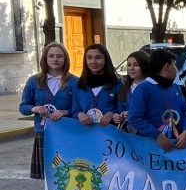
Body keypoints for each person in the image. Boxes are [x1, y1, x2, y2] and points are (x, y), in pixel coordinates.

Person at [19, 43, 77, 179]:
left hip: (66, 132)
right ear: (45, 58)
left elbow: (79, 108)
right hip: (43, 133)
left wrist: (66, 112)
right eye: (51, 56)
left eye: (60, 56)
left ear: (65, 59)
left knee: (66, 174)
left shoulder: (74, 82)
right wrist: (34, 108)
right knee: (47, 176)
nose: (55, 59)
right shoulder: (34, 81)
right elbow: (23, 107)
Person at [128, 49, 186, 151]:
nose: (176, 69)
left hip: (178, 147)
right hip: (152, 149)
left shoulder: (176, 88)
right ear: (167, 67)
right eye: (175, 65)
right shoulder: (143, 89)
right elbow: (134, 118)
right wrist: (157, 135)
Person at [71, 44, 121, 126]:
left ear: (106, 59)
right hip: (85, 131)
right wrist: (79, 114)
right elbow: (74, 111)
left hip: (109, 131)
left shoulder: (117, 83)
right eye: (89, 58)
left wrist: (112, 114)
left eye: (98, 58)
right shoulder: (78, 84)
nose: (93, 62)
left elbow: (123, 110)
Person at [114, 50, 149, 131]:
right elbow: (120, 110)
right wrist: (118, 116)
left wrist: (134, 115)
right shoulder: (124, 88)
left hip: (146, 133)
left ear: (145, 66)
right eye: (129, 65)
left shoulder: (152, 88)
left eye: (136, 65)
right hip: (128, 134)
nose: (131, 68)